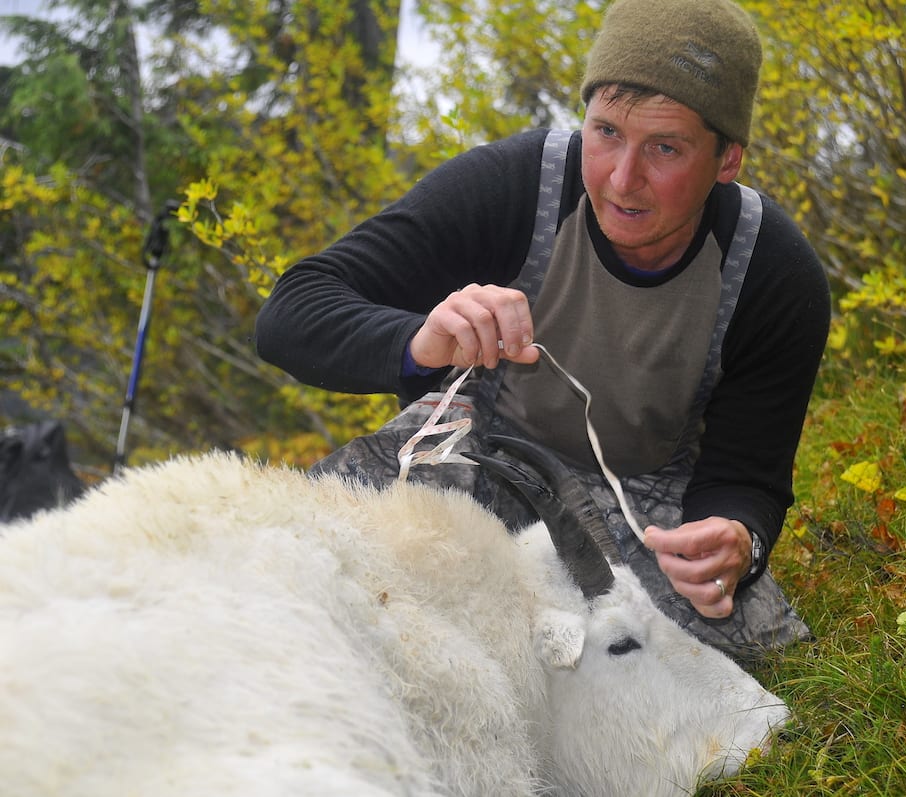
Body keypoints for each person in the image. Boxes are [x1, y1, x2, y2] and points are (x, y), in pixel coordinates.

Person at [254, 0, 830, 662]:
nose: (622, 178)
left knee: (754, 657)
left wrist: (737, 536)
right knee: (310, 578)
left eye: (665, 147)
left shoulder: (772, 274)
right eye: (607, 131)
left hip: (641, 501)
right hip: (472, 458)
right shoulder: (517, 186)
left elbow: (747, 476)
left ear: (727, 159)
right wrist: (419, 340)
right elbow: (290, 313)